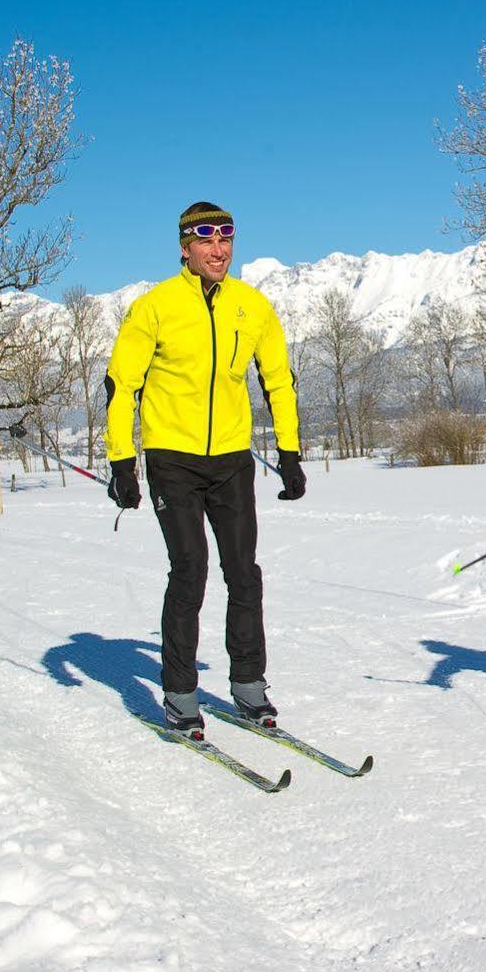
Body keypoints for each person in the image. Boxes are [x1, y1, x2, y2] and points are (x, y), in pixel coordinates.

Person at [104, 200, 306, 732]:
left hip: (232, 460)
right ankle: (178, 691)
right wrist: (122, 462)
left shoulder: (253, 305)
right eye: (206, 239)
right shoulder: (155, 307)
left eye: (226, 238)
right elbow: (122, 386)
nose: (218, 249)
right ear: (185, 247)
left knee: (244, 572)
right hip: (173, 458)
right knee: (190, 569)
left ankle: (247, 683)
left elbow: (279, 382)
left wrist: (290, 453)